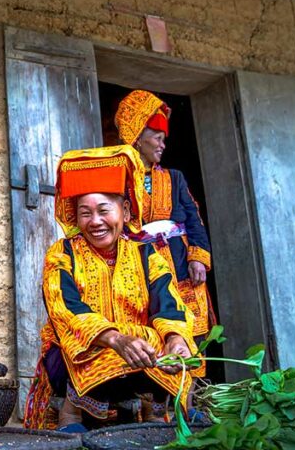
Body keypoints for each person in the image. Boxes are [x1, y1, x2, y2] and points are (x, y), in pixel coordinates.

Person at [23, 145, 196, 432]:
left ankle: (155, 411)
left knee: (173, 346)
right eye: (85, 213)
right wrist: (115, 339)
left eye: (104, 211)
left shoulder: (147, 254)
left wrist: (176, 339)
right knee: (81, 342)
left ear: (125, 211)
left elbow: (169, 302)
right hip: (78, 356)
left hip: (140, 354)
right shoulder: (63, 253)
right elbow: (65, 309)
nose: (95, 222)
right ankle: (72, 411)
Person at [115, 89, 214, 340]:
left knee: (189, 328)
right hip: (138, 262)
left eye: (164, 140)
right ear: (138, 139)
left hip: (179, 261)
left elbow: (193, 219)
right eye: (158, 138)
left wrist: (198, 258)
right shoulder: (118, 181)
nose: (162, 145)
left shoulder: (175, 178)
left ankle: (194, 380)